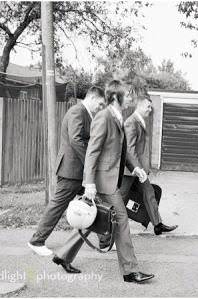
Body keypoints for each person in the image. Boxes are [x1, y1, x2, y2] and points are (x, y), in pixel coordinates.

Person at [54, 80, 154, 283]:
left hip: (108, 179)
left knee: (99, 219)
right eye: (128, 95)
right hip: (102, 181)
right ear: (116, 97)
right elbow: (92, 152)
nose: (132, 99)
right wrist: (89, 183)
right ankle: (130, 271)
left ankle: (63, 254)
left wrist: (136, 168)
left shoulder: (117, 117)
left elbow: (120, 151)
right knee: (121, 220)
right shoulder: (104, 117)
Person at [27, 86, 105, 269]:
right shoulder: (77, 111)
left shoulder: (86, 113)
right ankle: (36, 241)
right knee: (58, 205)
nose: (100, 107)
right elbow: (76, 140)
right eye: (100, 104)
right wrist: (90, 165)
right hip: (71, 171)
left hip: (78, 171)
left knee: (96, 202)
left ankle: (105, 239)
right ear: (92, 98)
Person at [119, 94, 178, 235]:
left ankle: (157, 225)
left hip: (139, 170)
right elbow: (129, 150)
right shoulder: (131, 122)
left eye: (151, 107)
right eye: (147, 106)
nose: (150, 109)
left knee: (149, 192)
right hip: (130, 171)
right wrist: (137, 168)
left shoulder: (139, 122)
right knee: (119, 199)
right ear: (139, 106)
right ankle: (104, 227)